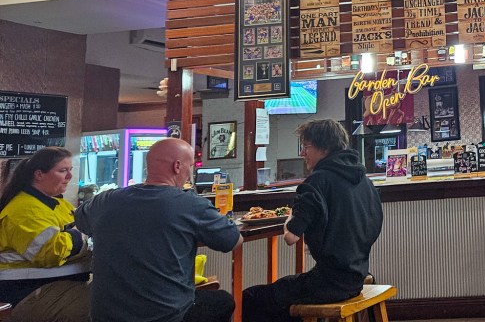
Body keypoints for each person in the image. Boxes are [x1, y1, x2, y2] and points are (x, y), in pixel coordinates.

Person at [75, 138, 241, 322]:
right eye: (190, 166)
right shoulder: (191, 205)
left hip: (105, 316)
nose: (189, 174)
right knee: (223, 301)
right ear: (177, 166)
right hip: (165, 316)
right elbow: (232, 240)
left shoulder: (104, 201)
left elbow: (80, 221)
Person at [242, 119, 383, 322]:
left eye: (306, 146)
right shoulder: (364, 180)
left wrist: (291, 216)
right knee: (284, 296)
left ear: (324, 148)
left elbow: (291, 237)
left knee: (251, 298)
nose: (302, 153)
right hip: (358, 276)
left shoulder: (317, 181)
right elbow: (372, 225)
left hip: (329, 284)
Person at [0, 147, 90, 307]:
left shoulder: (57, 203)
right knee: (106, 307)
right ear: (39, 174)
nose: (69, 176)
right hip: (27, 292)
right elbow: (49, 252)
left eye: (70, 170)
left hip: (55, 285)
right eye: (63, 171)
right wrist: (80, 234)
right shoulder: (24, 209)